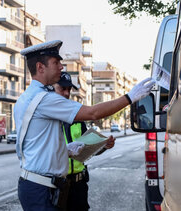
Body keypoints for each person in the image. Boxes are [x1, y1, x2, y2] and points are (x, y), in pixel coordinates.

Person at [14, 40, 154, 211]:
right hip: (41, 190)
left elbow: (35, 143)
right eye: (56, 63)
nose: (61, 67)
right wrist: (130, 97)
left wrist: (65, 150)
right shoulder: (44, 98)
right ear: (40, 67)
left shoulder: (27, 97)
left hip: (39, 186)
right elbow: (93, 113)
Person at [53, 72, 115, 211]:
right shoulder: (47, 117)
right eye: (62, 89)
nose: (66, 93)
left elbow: (87, 151)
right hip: (57, 185)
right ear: (51, 88)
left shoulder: (77, 116)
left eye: (69, 89)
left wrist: (103, 146)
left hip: (78, 185)